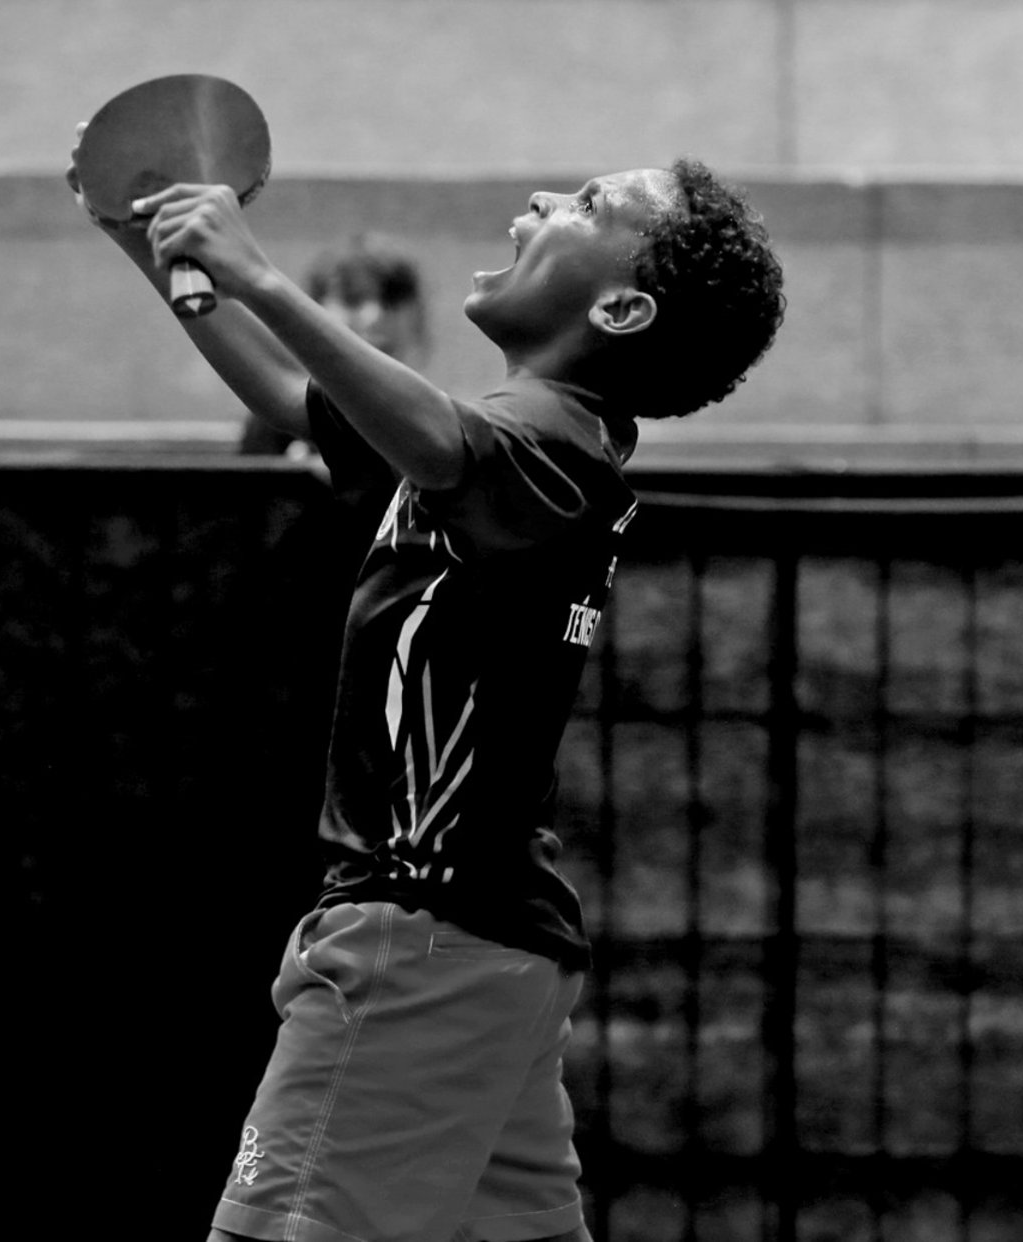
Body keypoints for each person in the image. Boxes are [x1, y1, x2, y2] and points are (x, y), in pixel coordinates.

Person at [68, 130, 785, 1242]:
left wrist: (256, 269)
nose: (543, 197)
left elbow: (435, 439)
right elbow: (296, 397)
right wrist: (160, 255)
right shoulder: (510, 448)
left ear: (624, 312)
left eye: (589, 204)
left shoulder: (550, 448)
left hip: (418, 946)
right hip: (491, 952)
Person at [240, 234, 433, 458]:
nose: (375, 316)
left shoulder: (430, 417)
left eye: (391, 301)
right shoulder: (276, 418)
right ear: (312, 310)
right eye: (353, 300)